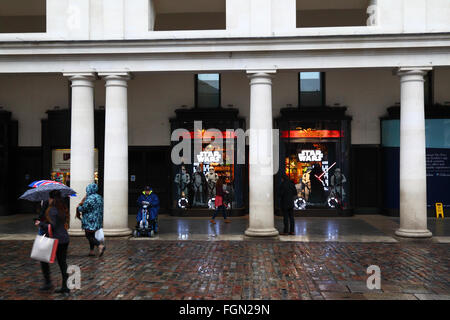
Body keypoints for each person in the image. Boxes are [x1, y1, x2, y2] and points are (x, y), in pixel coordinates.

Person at [34, 190, 70, 294]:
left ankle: (49, 282)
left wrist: (40, 223)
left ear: (52, 199)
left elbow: (52, 226)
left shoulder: (52, 210)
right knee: (62, 263)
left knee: (43, 258)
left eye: (49, 198)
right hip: (64, 238)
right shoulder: (63, 208)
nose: (48, 200)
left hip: (55, 239)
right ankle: (65, 286)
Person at [76, 183, 105, 257]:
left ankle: (100, 246)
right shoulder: (99, 197)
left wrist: (78, 207)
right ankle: (91, 251)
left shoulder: (89, 198)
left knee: (88, 235)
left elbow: (84, 209)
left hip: (89, 220)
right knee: (92, 235)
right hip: (97, 219)